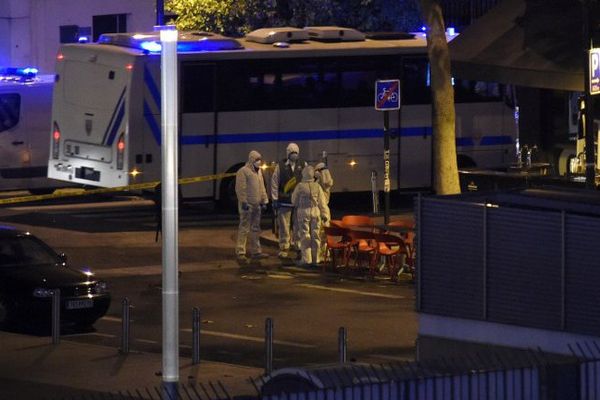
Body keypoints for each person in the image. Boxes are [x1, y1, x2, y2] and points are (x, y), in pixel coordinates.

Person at [271, 142, 307, 258]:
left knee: (298, 225)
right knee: (284, 226)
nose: (294, 155)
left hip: (299, 201)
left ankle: (298, 246)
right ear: (288, 154)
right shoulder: (280, 166)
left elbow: (308, 180)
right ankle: (284, 247)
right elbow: (275, 183)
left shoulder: (303, 164)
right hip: (284, 200)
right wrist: (275, 199)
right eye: (292, 153)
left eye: (296, 152)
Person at [235, 150, 269, 263]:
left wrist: (264, 200)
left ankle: (256, 251)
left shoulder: (258, 172)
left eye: (260, 159)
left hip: (257, 205)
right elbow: (240, 189)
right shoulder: (243, 172)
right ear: (251, 160)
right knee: (244, 228)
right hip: (247, 206)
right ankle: (240, 252)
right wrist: (243, 202)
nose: (259, 162)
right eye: (257, 160)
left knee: (255, 229)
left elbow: (262, 187)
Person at [291, 165, 328, 266]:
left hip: (303, 213)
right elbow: (322, 203)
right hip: (316, 213)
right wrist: (324, 214)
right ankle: (316, 259)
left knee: (304, 236)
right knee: (316, 236)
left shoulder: (300, 186)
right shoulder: (317, 186)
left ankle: (307, 259)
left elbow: (294, 201)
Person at [314, 162, 333, 260]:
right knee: (319, 233)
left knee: (323, 233)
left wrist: (319, 176)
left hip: (323, 210)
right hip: (319, 210)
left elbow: (326, 182)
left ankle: (324, 253)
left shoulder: (325, 181)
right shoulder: (318, 182)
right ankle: (321, 253)